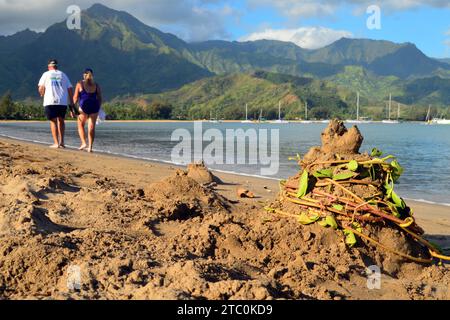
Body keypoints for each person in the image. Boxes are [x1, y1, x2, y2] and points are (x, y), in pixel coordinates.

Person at [38, 59, 75, 148]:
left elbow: (40, 87)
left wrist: (41, 93)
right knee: (61, 120)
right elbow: (70, 89)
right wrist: (72, 103)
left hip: (50, 101)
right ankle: (62, 142)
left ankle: (56, 143)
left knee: (53, 121)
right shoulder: (63, 75)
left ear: (49, 66)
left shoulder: (46, 74)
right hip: (62, 101)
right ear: (56, 66)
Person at [73, 68, 103, 153]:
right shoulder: (96, 85)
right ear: (92, 75)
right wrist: (98, 108)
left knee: (80, 125)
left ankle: (83, 143)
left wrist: (72, 109)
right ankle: (90, 147)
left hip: (83, 107)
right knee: (91, 128)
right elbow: (100, 98)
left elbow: (75, 98)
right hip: (94, 107)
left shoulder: (80, 84)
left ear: (84, 75)